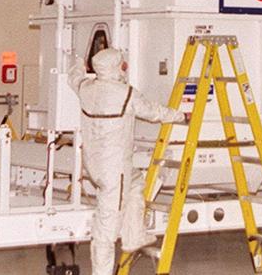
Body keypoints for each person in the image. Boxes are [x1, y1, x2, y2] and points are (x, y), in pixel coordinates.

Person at [69, 46, 184, 275]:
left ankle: (134, 235)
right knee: (106, 227)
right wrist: (181, 116)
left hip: (95, 165)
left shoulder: (87, 88)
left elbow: (75, 77)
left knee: (136, 184)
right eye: (122, 63)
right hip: (115, 169)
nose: (124, 67)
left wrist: (79, 62)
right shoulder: (126, 94)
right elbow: (153, 112)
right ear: (115, 67)